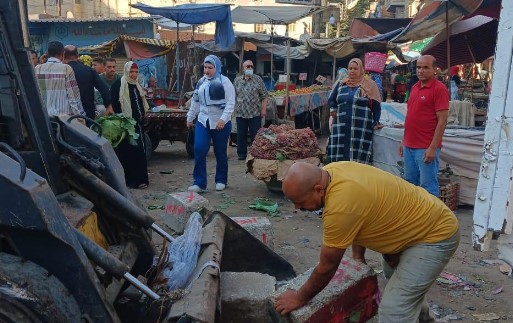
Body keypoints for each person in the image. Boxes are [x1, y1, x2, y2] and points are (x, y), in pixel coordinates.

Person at [274, 161, 460, 322]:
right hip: (417, 222)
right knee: (395, 278)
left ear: (318, 189)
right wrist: (358, 256)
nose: (297, 208)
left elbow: (327, 267)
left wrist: (300, 297)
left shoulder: (340, 205)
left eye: (300, 202)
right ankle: (424, 319)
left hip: (435, 235)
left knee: (394, 309)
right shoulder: (331, 171)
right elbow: (360, 215)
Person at [400, 55, 449, 197]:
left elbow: (442, 121)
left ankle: (433, 218)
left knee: (428, 187)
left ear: (435, 70)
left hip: (425, 147)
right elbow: (410, 116)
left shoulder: (439, 89)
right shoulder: (415, 87)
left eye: (425, 67)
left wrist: (433, 147)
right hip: (409, 146)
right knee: (409, 184)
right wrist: (404, 141)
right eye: (419, 67)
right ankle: (414, 217)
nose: (421, 71)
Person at [186, 55, 235, 192]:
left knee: (220, 152)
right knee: (199, 149)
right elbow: (195, 101)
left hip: (220, 123)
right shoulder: (201, 82)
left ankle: (221, 180)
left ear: (217, 68)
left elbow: (231, 103)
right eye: (205, 67)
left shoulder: (225, 82)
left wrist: (223, 119)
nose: (206, 70)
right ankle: (199, 183)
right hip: (203, 121)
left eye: (210, 68)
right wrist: (190, 117)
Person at [326, 58, 382, 164]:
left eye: (355, 69)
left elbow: (376, 106)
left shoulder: (370, 85)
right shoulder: (341, 84)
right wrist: (333, 108)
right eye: (350, 68)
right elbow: (332, 100)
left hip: (360, 127)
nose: (352, 71)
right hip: (341, 125)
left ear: (361, 70)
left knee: (358, 153)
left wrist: (376, 121)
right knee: (340, 153)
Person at [110, 61, 150, 189]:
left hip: (137, 125)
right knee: (127, 152)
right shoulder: (119, 85)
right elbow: (114, 104)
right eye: (131, 72)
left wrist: (143, 116)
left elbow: (140, 103)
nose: (133, 75)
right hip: (125, 125)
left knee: (139, 151)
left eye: (136, 72)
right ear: (126, 72)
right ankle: (129, 181)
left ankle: (141, 180)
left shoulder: (137, 85)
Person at [34, 41, 84, 117]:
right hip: (64, 118)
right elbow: (73, 96)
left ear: (47, 53)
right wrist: (80, 115)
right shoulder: (66, 68)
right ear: (62, 53)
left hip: (44, 117)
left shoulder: (38, 68)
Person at [63, 45, 113, 120]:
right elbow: (103, 88)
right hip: (87, 115)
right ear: (77, 55)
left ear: (63, 55)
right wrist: (108, 105)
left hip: (65, 116)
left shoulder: (59, 71)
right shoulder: (88, 71)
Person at [233, 60, 268, 160]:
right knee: (241, 135)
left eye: (251, 67)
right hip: (241, 112)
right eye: (247, 67)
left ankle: (255, 154)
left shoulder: (258, 79)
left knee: (255, 135)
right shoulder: (237, 80)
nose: (249, 68)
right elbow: (233, 95)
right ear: (243, 69)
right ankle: (241, 154)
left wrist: (263, 109)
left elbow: (264, 96)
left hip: (255, 113)